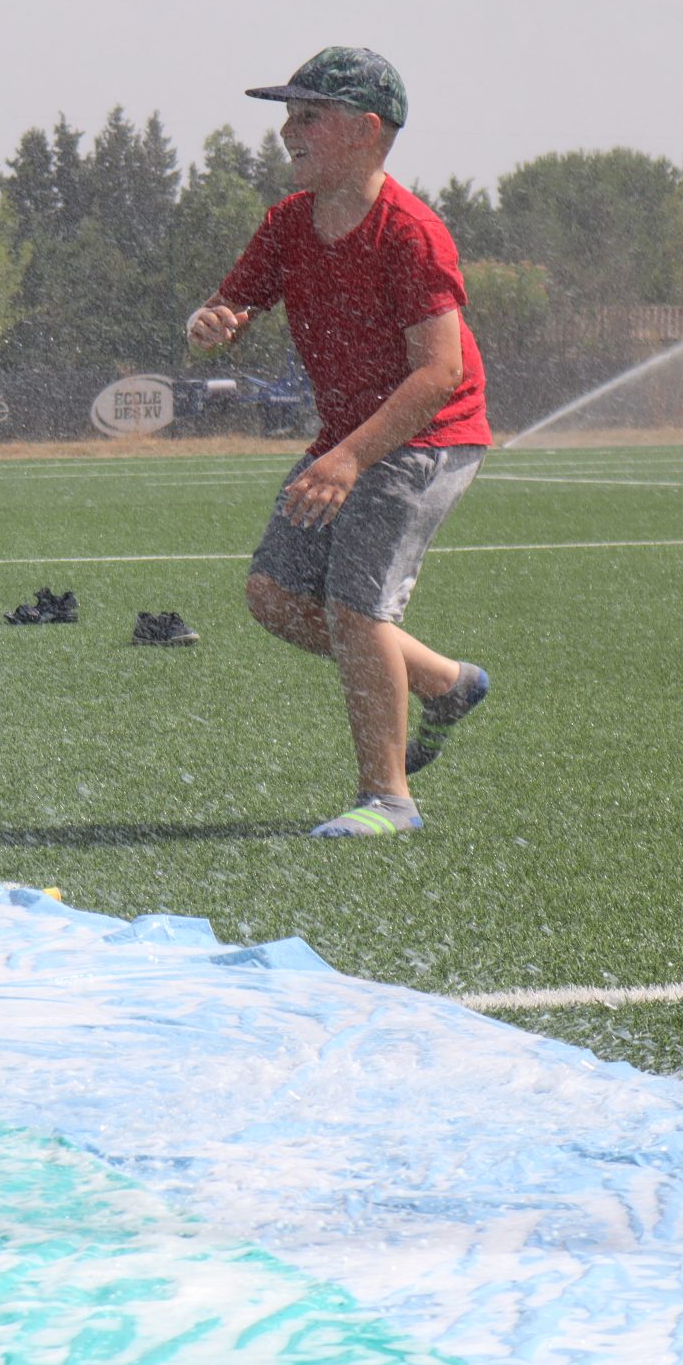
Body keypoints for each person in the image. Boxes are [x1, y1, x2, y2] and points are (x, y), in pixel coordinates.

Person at [185, 47, 493, 839]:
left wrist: (351, 457)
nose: (287, 129)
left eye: (306, 115)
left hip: (427, 437)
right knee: (274, 597)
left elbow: (439, 372)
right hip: (350, 439)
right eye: (287, 114)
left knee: (357, 608)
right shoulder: (289, 224)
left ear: (363, 131)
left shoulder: (413, 234)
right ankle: (445, 684)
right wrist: (209, 325)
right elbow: (225, 311)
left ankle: (389, 800)